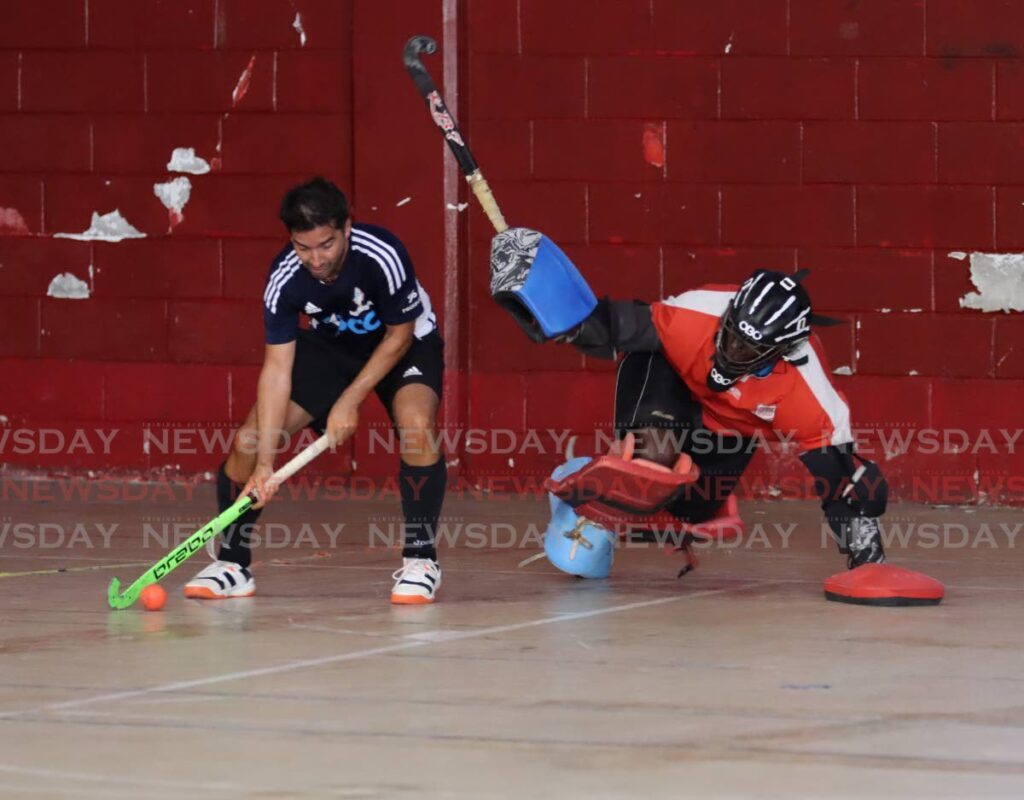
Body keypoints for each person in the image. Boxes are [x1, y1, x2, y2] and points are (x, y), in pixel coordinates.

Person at [184, 177, 446, 604]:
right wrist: (265, 463)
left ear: (347, 226)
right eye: (303, 248)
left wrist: (349, 400)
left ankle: (421, 559)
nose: (315, 259)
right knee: (248, 442)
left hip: (403, 341)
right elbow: (276, 369)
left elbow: (399, 336)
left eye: (325, 245)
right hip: (332, 347)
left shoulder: (382, 253)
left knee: (417, 426)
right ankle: (233, 564)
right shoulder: (286, 278)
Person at [527, 264, 888, 572]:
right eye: (730, 334)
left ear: (783, 353)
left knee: (692, 509)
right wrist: (557, 319)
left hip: (729, 426)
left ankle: (595, 475)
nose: (731, 351)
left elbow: (839, 485)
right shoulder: (696, 313)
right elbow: (616, 326)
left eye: (750, 349)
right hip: (667, 377)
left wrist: (866, 559)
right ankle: (594, 499)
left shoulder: (810, 396)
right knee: (653, 462)